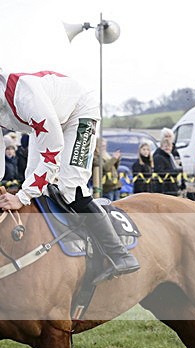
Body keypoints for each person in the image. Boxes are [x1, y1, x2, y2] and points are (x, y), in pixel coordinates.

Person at [0, 69, 138, 282]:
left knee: (71, 187)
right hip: (47, 122)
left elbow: (51, 156)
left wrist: (20, 197)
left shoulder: (26, 97)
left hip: (78, 113)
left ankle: (119, 254)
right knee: (33, 180)